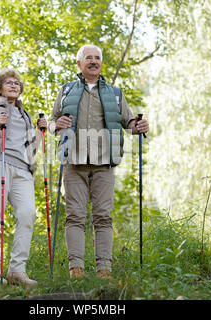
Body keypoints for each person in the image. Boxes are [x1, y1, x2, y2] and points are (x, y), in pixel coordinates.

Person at [48, 44, 149, 279]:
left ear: (101, 63)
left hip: (104, 162)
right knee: (75, 215)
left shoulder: (115, 92)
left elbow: (128, 122)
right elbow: (53, 121)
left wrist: (139, 126)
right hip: (73, 161)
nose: (93, 61)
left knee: (103, 216)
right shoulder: (66, 90)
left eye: (97, 58)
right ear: (79, 64)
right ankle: (76, 269)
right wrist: (55, 125)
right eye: (88, 58)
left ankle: (104, 269)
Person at [0, 69, 47, 286]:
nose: (14, 85)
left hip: (23, 168)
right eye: (9, 82)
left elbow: (32, 150)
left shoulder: (25, 115)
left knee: (27, 215)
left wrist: (41, 134)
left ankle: (17, 270)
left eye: (17, 83)